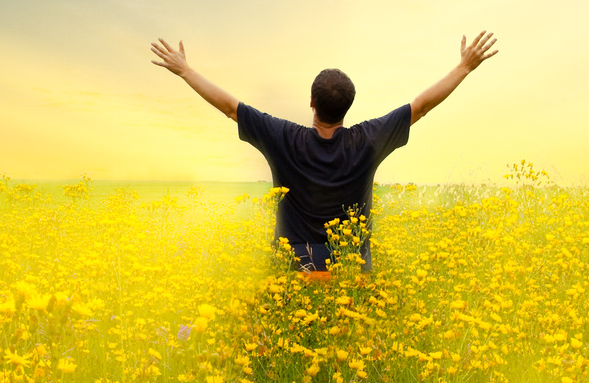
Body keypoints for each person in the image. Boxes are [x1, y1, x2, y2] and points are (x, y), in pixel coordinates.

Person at [149, 32, 499, 276]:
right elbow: (420, 106)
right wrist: (464, 67)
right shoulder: (369, 140)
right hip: (350, 270)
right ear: (348, 107)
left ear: (312, 101)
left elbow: (229, 107)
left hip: (294, 268)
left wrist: (184, 70)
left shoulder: (283, 137)